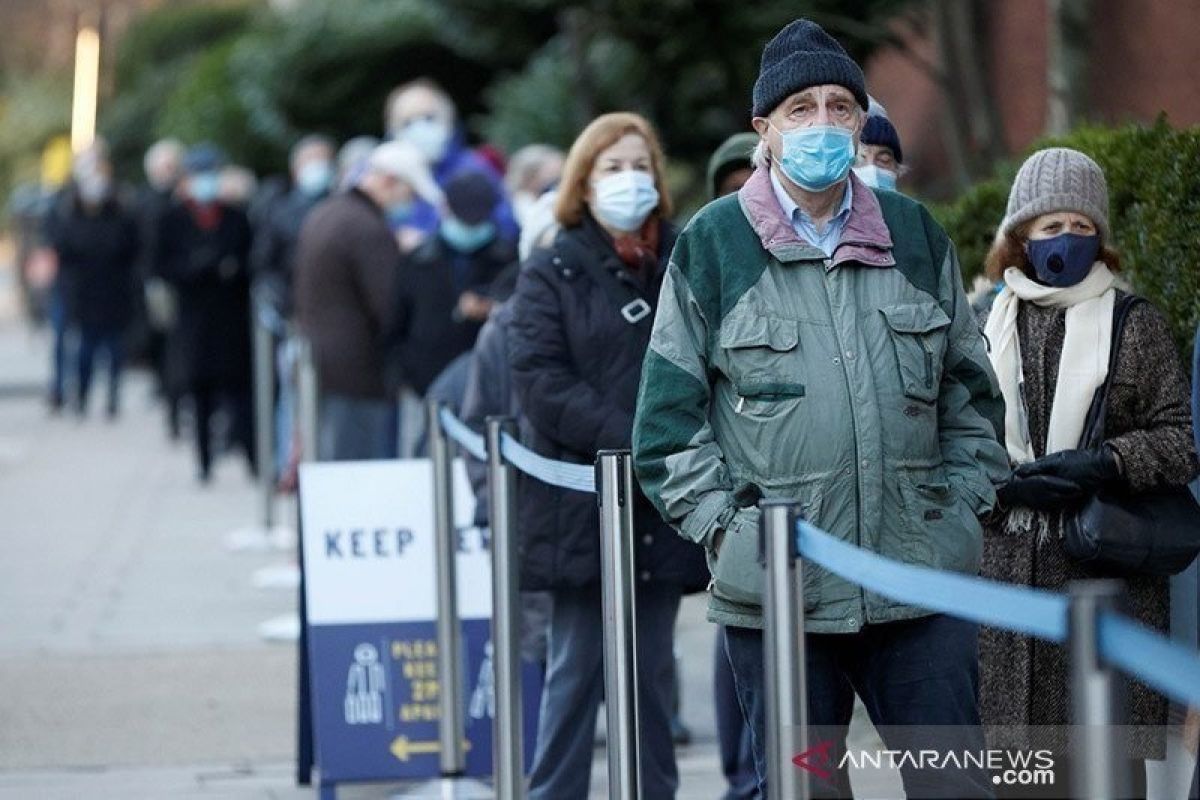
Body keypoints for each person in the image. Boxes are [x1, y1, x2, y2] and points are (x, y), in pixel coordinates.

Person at [632, 19, 1008, 798]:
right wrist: (733, 536)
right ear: (763, 130)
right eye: (801, 108)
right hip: (780, 600)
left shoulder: (913, 234)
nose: (825, 123)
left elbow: (970, 396)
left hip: (920, 583)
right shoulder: (713, 244)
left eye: (842, 106)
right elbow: (667, 428)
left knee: (957, 789)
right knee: (808, 792)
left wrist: (958, 508)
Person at [978, 147, 1198, 794]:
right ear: (1021, 235)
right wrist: (1001, 483)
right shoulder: (983, 325)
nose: (1066, 239)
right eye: (1050, 226)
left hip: (1106, 578)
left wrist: (1105, 462)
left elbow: (1181, 444)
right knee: (1021, 779)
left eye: (1081, 225)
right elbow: (954, 444)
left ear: (1100, 235)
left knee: (1107, 778)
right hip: (1006, 588)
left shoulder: (1138, 324)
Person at [509, 112, 707, 800]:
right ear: (583, 183)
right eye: (612, 168)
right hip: (581, 502)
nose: (630, 180)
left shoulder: (685, 256)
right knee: (576, 671)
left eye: (640, 165)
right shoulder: (552, 267)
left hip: (663, 497)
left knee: (652, 672)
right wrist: (634, 436)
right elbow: (539, 380)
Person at [293, 142, 424, 460]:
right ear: (390, 182)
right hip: (358, 373)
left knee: (332, 463)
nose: (409, 203)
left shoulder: (329, 212)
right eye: (409, 193)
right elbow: (389, 306)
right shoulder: (367, 228)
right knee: (355, 470)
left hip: (326, 362)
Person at [702, 129, 760, 800]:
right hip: (735, 494)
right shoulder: (705, 258)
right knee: (737, 638)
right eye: (729, 189)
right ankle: (741, 780)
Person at [159, 144, 255, 482]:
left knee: (239, 392)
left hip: (230, 317)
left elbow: (249, 262)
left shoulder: (235, 217)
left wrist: (231, 269)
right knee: (199, 393)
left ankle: (251, 456)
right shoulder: (173, 220)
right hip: (194, 318)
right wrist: (194, 268)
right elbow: (161, 265)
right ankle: (203, 461)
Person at [391, 169, 516, 404]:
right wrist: (405, 374)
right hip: (424, 382)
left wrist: (492, 306)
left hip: (486, 384)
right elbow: (398, 320)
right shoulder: (418, 259)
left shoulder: (508, 258)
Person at [42, 144, 140, 418]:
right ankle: (71, 393)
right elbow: (58, 244)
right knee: (78, 347)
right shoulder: (65, 206)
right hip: (78, 292)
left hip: (112, 291)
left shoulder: (120, 207)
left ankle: (111, 398)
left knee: (113, 348)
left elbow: (132, 246)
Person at [384, 78, 517, 239]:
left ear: (448, 119)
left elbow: (507, 225)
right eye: (407, 123)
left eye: (428, 117)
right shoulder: (388, 180)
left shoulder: (474, 168)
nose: (419, 128)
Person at [137, 139, 185, 436]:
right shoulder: (144, 200)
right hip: (157, 285)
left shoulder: (183, 199)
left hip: (184, 283)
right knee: (164, 345)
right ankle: (170, 398)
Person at [504, 144, 565, 228]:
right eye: (555, 178)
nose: (558, 184)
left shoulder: (538, 197)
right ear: (530, 178)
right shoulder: (524, 206)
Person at [853, 104, 904, 191]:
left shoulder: (909, 205)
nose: (872, 169)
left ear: (897, 170)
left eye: (884, 160)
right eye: (859, 159)